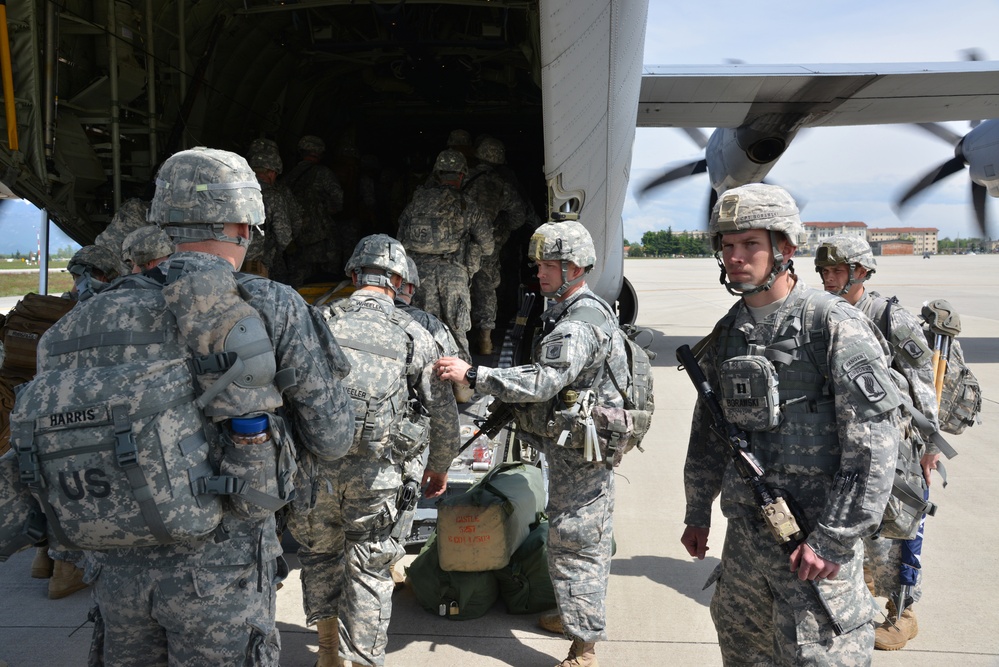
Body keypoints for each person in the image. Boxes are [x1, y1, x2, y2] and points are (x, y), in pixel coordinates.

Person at [60, 147, 354, 665]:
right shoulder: (269, 303)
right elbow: (332, 437)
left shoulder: (89, 313)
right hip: (222, 568)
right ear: (244, 225)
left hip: (115, 566)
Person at [679, 183, 902, 665]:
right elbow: (709, 430)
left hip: (812, 550)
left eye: (750, 244)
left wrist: (834, 539)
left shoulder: (832, 325)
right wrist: (697, 509)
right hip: (745, 550)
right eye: (728, 245)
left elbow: (874, 447)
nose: (736, 256)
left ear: (785, 249)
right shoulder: (729, 332)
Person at [435, 219, 623, 667]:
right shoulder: (569, 310)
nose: (541, 272)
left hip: (583, 451)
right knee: (573, 533)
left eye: (551, 265)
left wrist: (475, 375)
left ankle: (584, 647)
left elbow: (542, 381)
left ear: (575, 267)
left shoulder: (578, 323)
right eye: (540, 264)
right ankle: (578, 615)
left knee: (577, 538)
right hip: (576, 443)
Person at [289, 234, 459, 667]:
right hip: (379, 480)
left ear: (352, 275)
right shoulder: (416, 334)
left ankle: (328, 656)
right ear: (399, 281)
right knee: (369, 570)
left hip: (314, 474)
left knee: (319, 558)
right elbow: (443, 414)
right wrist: (438, 468)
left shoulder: (316, 319)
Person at [814, 235, 940, 651]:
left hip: (899, 443)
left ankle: (904, 612)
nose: (829, 278)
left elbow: (923, 382)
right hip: (846, 439)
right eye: (825, 271)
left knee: (898, 532)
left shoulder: (888, 316)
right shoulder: (825, 315)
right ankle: (863, 600)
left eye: (837, 271)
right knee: (858, 528)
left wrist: (930, 448)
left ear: (862, 272)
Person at [22, 244, 125, 598]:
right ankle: (66, 570)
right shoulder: (113, 315)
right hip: (91, 428)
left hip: (52, 429)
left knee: (53, 488)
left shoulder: (60, 324)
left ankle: (43, 559)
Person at [397, 149, 493, 363]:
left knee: (421, 329)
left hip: (420, 276)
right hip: (454, 275)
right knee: (457, 331)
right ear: (462, 175)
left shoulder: (417, 202)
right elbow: (487, 245)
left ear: (438, 174)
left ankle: (425, 382)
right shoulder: (466, 204)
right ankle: (461, 387)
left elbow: (401, 238)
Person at [463, 136, 529, 355]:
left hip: (459, 245)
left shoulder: (461, 179)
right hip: (487, 245)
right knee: (486, 288)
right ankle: (486, 341)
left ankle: (459, 337)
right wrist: (501, 232)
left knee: (460, 286)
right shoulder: (501, 186)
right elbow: (518, 216)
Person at [282, 135, 345, 285]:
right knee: (327, 278)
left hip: (295, 237)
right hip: (321, 237)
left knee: (298, 277)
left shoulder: (289, 176)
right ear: (321, 153)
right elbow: (339, 201)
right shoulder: (324, 173)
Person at [243, 138, 303, 283]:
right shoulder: (273, 195)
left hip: (230, 259)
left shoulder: (236, 190)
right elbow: (284, 236)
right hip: (258, 263)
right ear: (271, 172)